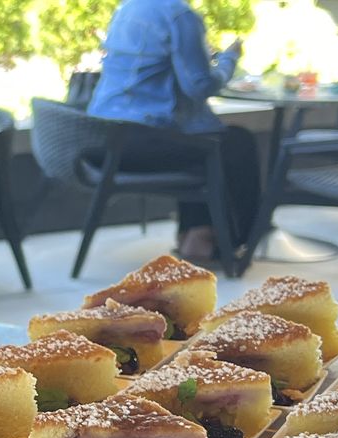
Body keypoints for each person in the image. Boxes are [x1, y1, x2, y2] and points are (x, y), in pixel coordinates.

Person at [85, 0, 259, 263]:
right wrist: (229, 59)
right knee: (235, 143)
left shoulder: (130, 8)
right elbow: (199, 86)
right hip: (140, 142)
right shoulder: (179, 16)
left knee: (208, 138)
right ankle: (227, 238)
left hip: (105, 137)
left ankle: (194, 234)